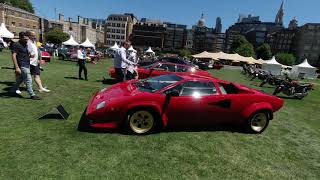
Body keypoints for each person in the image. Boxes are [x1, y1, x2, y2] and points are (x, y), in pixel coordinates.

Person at [10, 32, 41, 100]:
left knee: (19, 80)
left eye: (27, 39)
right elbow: (14, 56)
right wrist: (17, 67)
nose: (26, 40)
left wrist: (30, 55)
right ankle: (32, 94)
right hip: (21, 65)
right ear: (20, 38)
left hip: (27, 64)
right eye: (25, 39)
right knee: (28, 79)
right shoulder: (16, 45)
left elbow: (25, 54)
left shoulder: (26, 44)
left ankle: (12, 91)